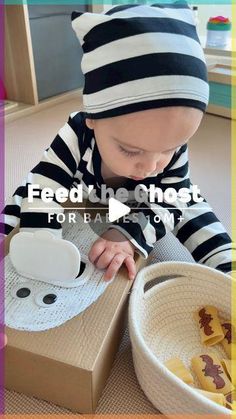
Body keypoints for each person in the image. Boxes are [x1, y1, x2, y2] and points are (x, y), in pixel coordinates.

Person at [1, 3, 235, 281]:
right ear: (92, 117)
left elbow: (169, 202)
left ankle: (229, 266)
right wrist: (41, 236)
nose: (151, 165)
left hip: (146, 199)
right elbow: (46, 184)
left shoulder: (167, 155)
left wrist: (127, 233)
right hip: (84, 190)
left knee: (187, 201)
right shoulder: (76, 133)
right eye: (130, 149)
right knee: (31, 190)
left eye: (170, 148)